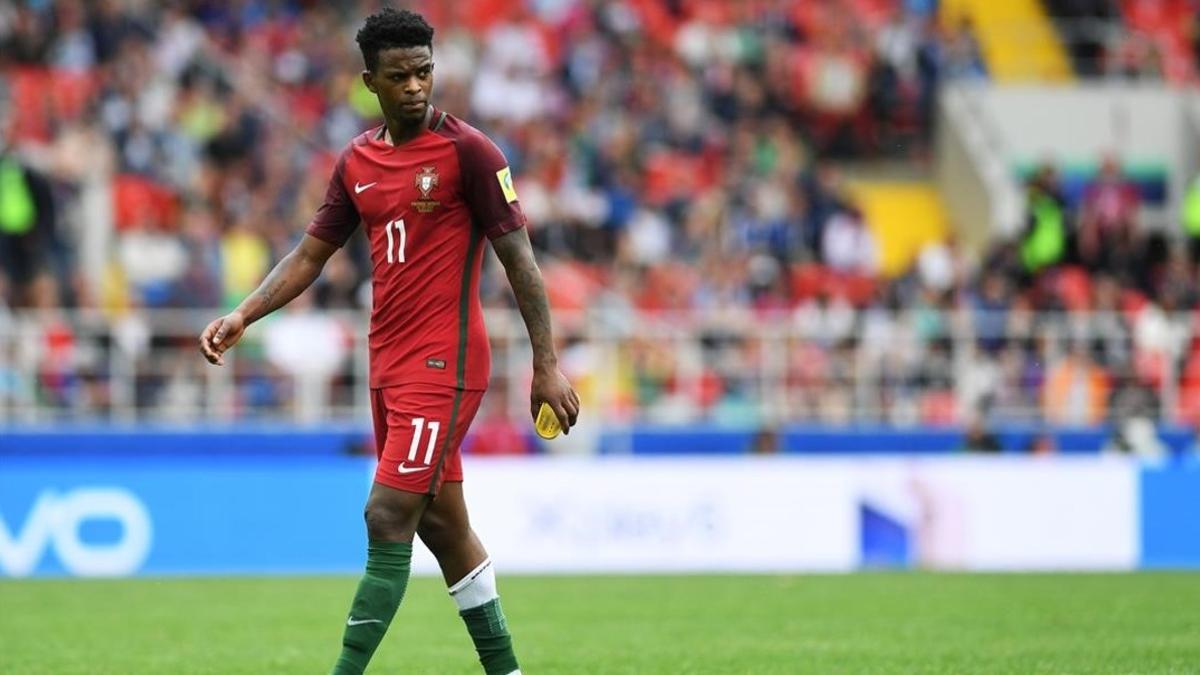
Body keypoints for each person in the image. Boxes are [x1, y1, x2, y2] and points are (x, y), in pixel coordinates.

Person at [198, 9, 579, 675]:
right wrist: (245, 313)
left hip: (447, 363)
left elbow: (521, 261)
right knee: (443, 527)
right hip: (388, 367)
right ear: (369, 80)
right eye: (399, 75)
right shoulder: (357, 161)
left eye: (424, 71)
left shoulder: (471, 153)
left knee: (386, 512)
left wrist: (547, 364)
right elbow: (310, 255)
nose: (415, 86)